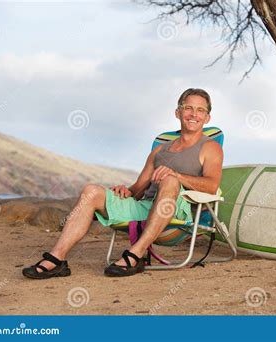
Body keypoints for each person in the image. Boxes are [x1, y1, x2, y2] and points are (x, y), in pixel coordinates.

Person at [22, 88, 223, 279]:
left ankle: (136, 254)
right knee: (91, 191)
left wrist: (177, 176)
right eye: (188, 108)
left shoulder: (210, 147)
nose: (193, 114)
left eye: (200, 110)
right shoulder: (160, 149)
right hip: (147, 207)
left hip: (179, 210)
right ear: (178, 112)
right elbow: (138, 189)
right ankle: (57, 259)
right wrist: (125, 191)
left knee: (170, 180)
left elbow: (211, 186)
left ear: (207, 118)